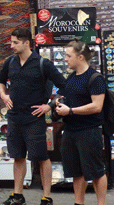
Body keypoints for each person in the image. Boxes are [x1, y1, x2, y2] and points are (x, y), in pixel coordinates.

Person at [0, 28, 66, 205]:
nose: (11, 46)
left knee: (41, 157)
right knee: (17, 156)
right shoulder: (9, 62)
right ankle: (18, 195)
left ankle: (46, 197)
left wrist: (49, 106)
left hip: (34, 118)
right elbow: (0, 82)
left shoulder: (43, 63)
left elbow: (64, 87)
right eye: (11, 42)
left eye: (15, 42)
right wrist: (4, 96)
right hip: (14, 117)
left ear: (27, 43)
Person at [53, 41, 107, 205]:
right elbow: (65, 96)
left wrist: (70, 111)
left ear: (80, 57)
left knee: (96, 171)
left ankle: (101, 203)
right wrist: (58, 103)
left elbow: (97, 106)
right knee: (76, 172)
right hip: (71, 130)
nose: (65, 59)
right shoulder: (71, 77)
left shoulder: (95, 78)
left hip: (89, 130)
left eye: (68, 55)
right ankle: (79, 203)